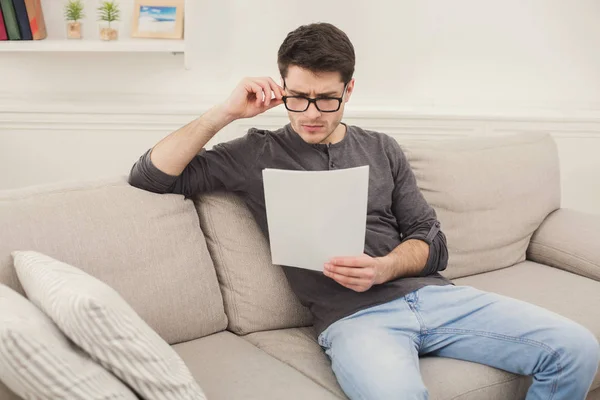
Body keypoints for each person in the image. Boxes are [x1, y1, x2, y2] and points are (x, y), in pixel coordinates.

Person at [128, 22, 599, 400]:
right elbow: (151, 176)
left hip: (435, 298)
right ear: (282, 89)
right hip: (355, 321)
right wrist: (224, 112)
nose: (311, 113)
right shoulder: (257, 152)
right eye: (297, 97)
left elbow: (431, 242)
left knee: (577, 348)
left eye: (327, 98)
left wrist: (385, 266)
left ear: (349, 90)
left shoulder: (381, 147)